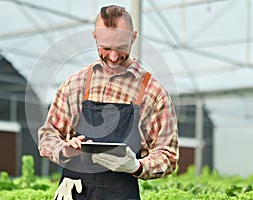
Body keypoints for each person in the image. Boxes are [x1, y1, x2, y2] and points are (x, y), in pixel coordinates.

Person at [38, 4, 179, 200]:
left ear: (133, 37)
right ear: (95, 37)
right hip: (74, 191)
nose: (113, 57)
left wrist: (137, 166)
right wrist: (66, 149)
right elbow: (48, 135)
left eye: (121, 48)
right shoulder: (76, 84)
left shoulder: (153, 92)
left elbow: (167, 155)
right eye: (105, 48)